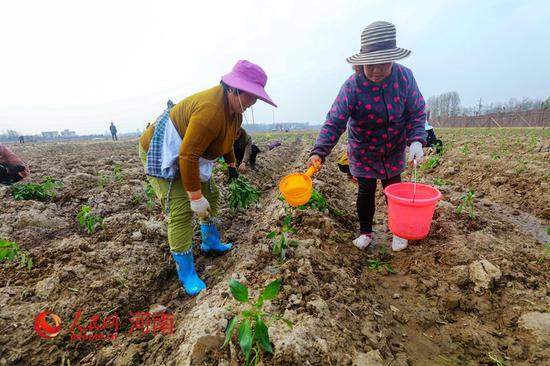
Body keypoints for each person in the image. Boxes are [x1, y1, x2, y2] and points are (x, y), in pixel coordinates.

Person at [139, 60, 276, 296]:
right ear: (234, 88)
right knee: (182, 208)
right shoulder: (210, 110)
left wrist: (231, 165)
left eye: (256, 97)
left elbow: (227, 139)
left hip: (191, 152)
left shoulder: (235, 111)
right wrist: (194, 196)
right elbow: (187, 155)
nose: (252, 102)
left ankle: (209, 241)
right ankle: (186, 272)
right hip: (164, 149)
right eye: (250, 96)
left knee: (211, 193)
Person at [307, 21, 427, 252]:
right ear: (360, 63)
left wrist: (416, 139)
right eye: (369, 64)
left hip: (392, 148)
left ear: (393, 59)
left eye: (382, 64)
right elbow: (335, 120)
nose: (375, 70)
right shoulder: (353, 86)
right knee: (366, 191)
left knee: (395, 190)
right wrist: (319, 151)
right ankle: (365, 232)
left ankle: (399, 231)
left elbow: (416, 110)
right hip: (363, 150)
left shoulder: (405, 78)